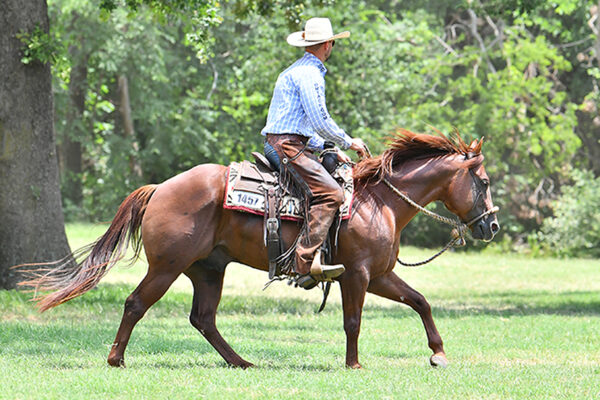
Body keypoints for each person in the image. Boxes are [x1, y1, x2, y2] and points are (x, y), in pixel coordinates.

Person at [261, 17, 368, 288]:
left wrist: (327, 147)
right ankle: (304, 264)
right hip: (287, 147)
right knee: (332, 193)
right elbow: (320, 121)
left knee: (328, 176)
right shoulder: (310, 75)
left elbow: (301, 124)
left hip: (288, 142)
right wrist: (348, 141)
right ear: (328, 44)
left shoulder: (296, 71)